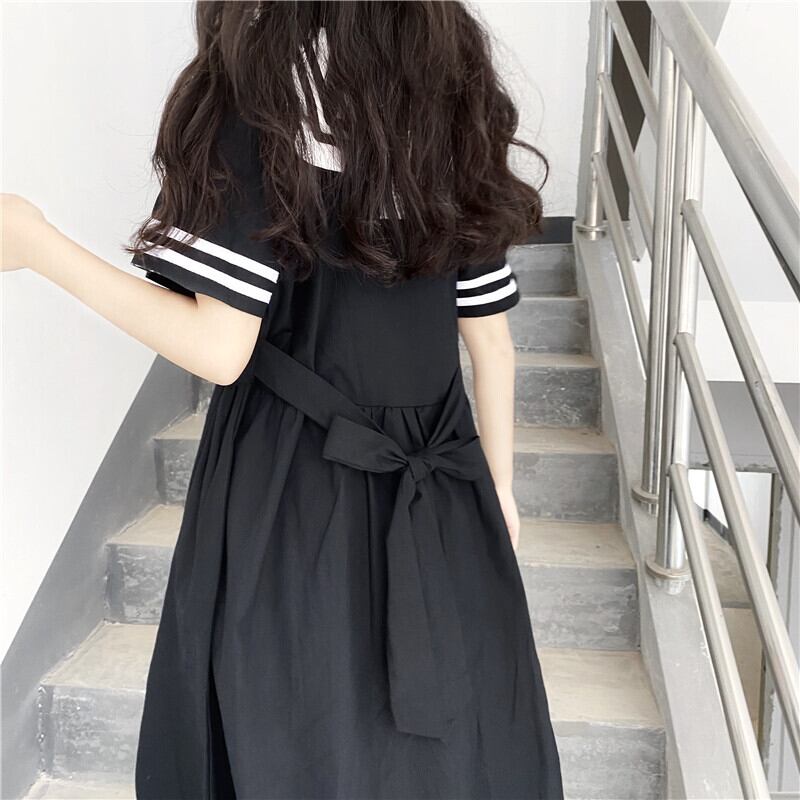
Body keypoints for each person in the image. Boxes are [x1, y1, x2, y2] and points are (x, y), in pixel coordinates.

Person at [1, 2, 563, 798]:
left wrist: (39, 246)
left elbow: (218, 350)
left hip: (291, 487)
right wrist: (498, 490)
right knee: (450, 756)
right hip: (447, 481)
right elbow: (492, 345)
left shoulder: (259, 105)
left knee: (290, 731)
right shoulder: (451, 109)